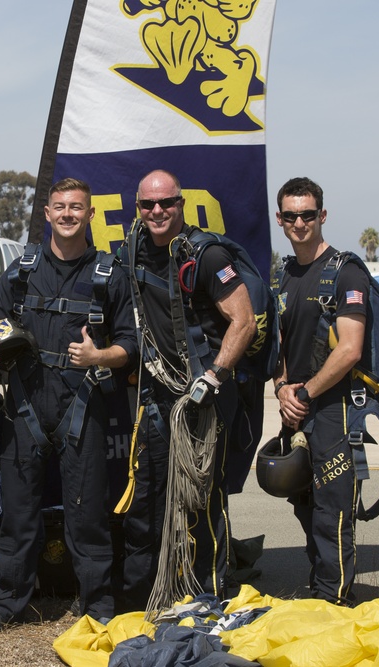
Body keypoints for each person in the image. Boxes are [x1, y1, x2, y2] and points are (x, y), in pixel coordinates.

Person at [0, 177, 137, 635]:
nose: (67, 214)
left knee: (88, 518)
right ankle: (8, 603)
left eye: (76, 207)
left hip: (83, 411)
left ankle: (98, 603)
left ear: (90, 214)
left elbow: (130, 344)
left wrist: (100, 356)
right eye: (60, 207)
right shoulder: (21, 271)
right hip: (24, 409)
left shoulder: (109, 274)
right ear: (47, 213)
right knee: (18, 515)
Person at [119, 169, 256, 611]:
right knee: (154, 493)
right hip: (159, 397)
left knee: (201, 497)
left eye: (166, 203)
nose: (157, 212)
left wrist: (213, 376)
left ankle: (207, 593)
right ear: (137, 208)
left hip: (204, 398)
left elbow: (244, 321)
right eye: (148, 205)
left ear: (181, 204)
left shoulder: (208, 255)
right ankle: (160, 590)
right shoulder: (133, 251)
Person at [271, 177, 369, 605]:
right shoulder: (283, 275)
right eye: (291, 216)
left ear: (322, 216)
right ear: (280, 219)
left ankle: (336, 599)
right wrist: (281, 390)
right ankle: (320, 587)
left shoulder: (345, 270)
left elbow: (349, 349)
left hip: (334, 410)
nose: (299, 223)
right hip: (296, 409)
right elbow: (281, 345)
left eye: (307, 215)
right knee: (304, 504)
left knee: (334, 510)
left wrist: (304, 394)